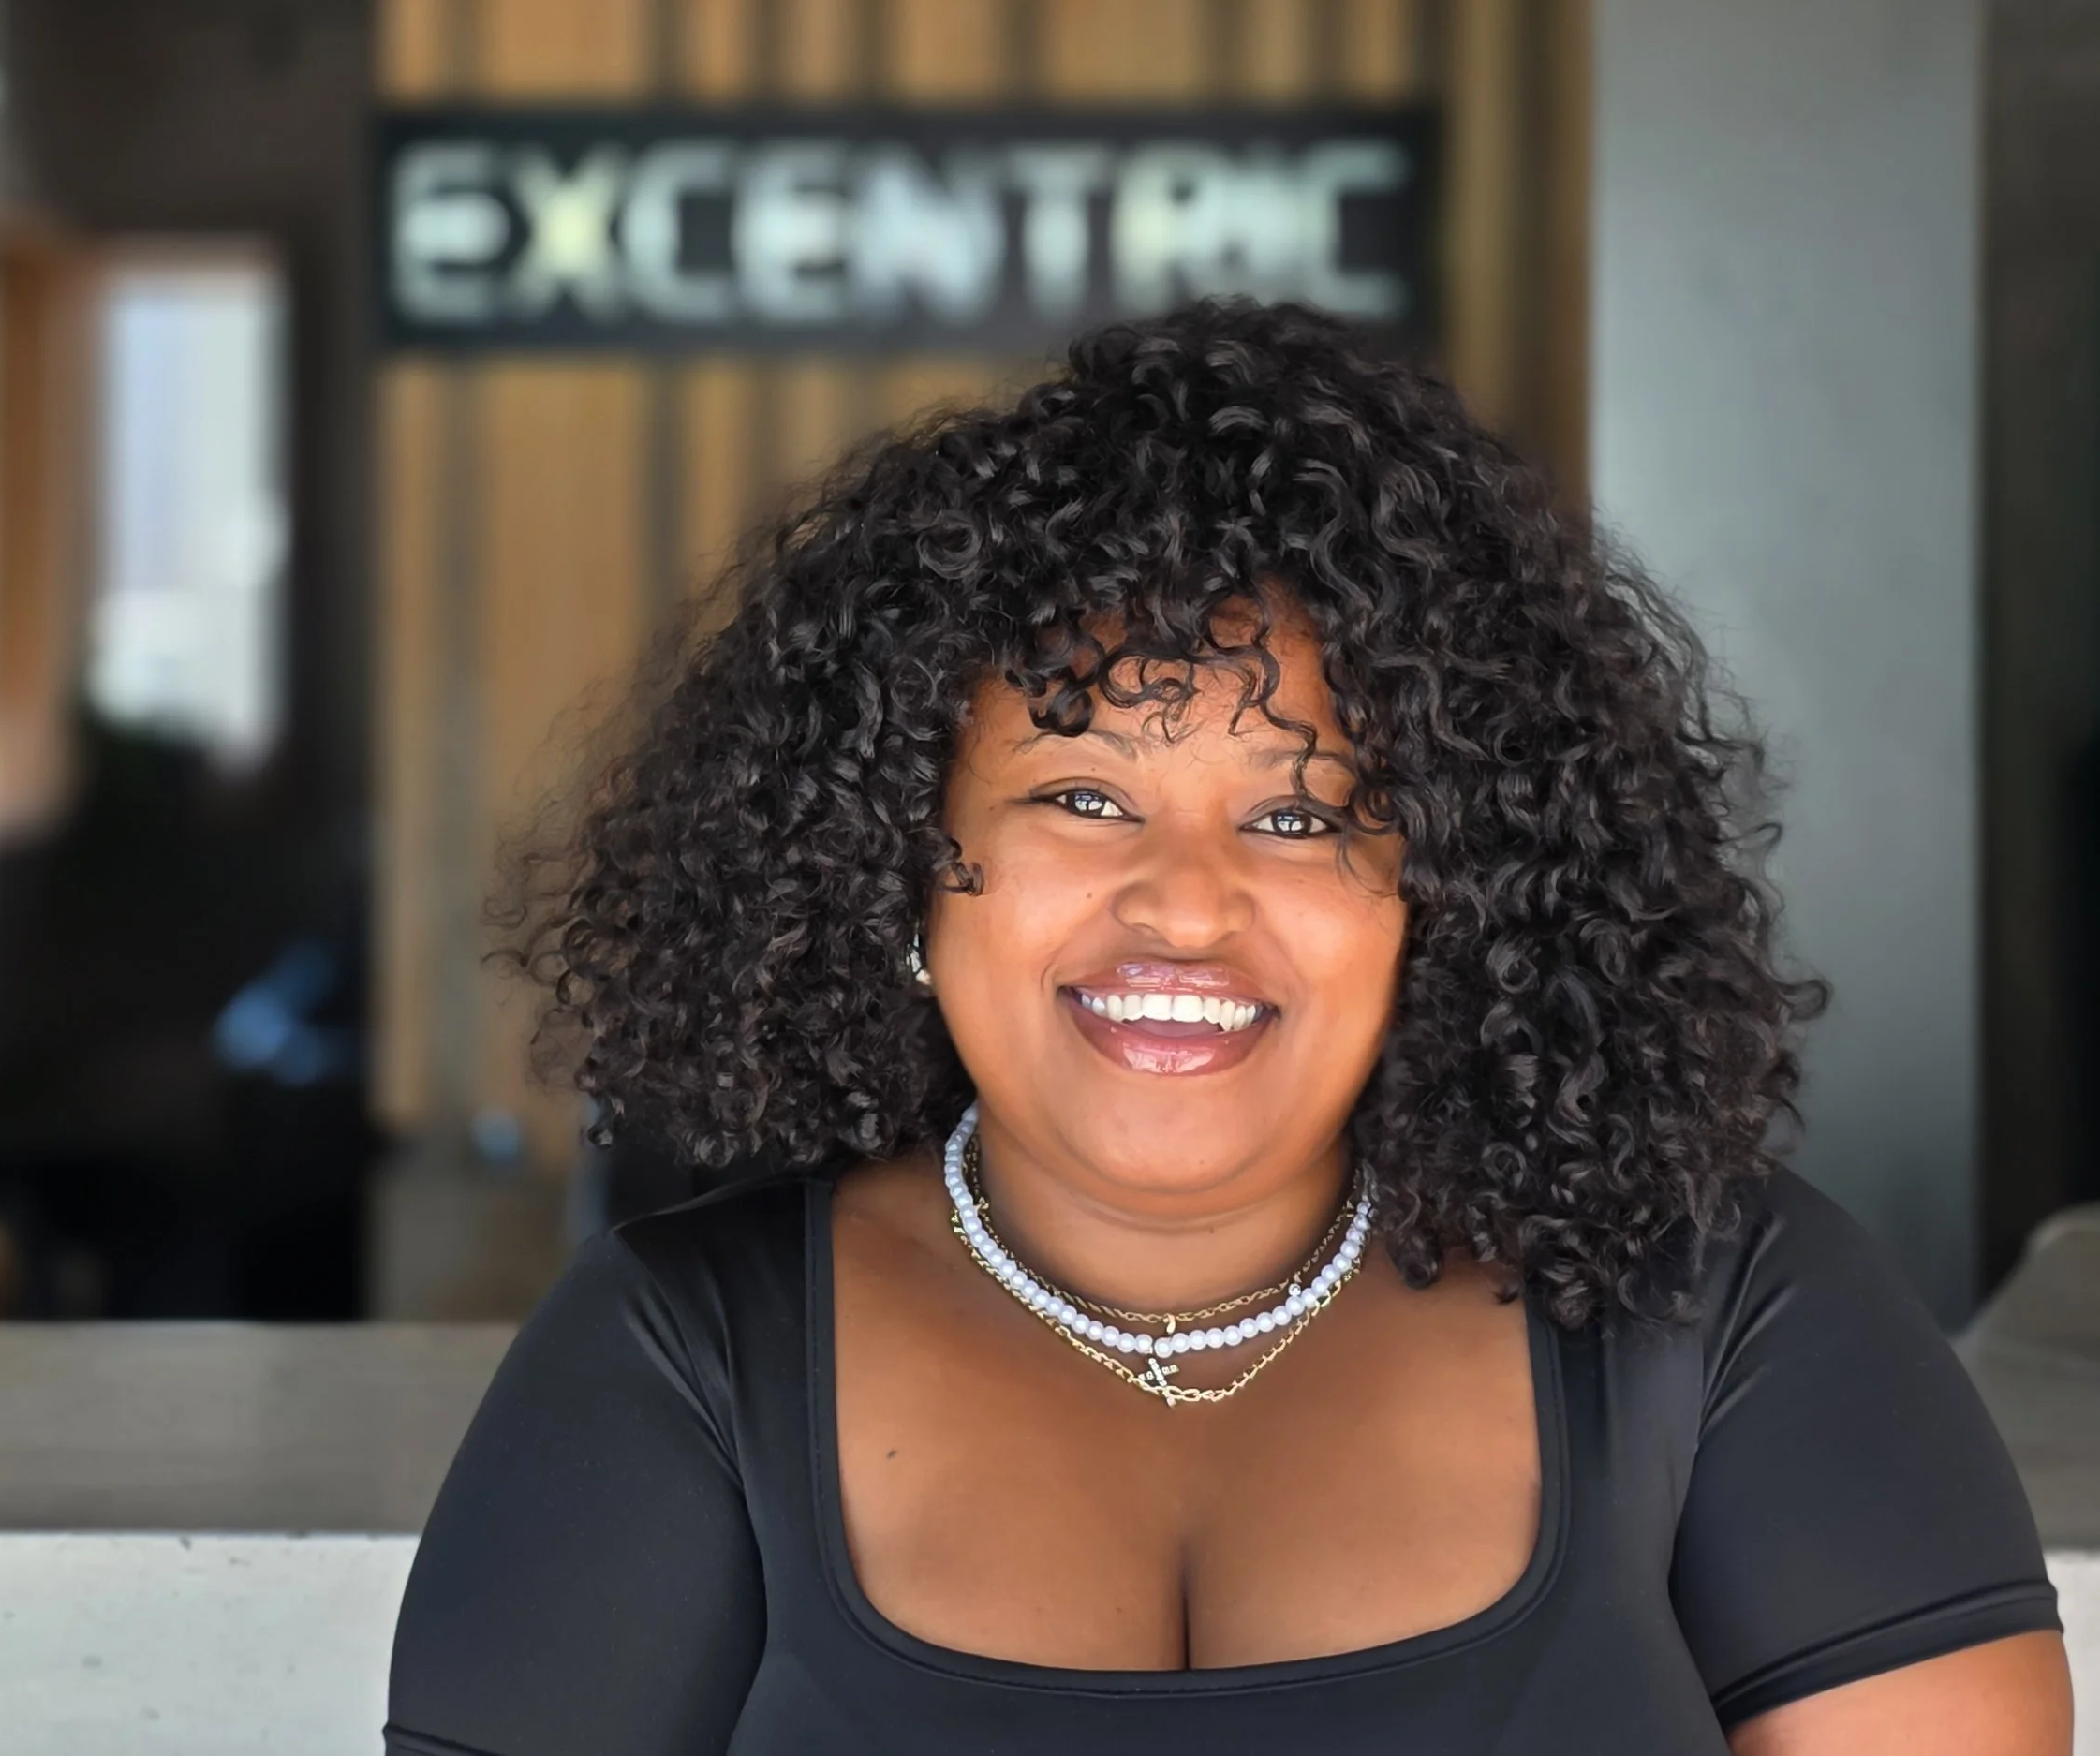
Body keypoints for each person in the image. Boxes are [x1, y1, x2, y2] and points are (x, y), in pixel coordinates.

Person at [384, 301, 2071, 1754]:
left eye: (1300, 815)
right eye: (1081, 797)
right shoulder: (676, 1357)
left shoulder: (1720, 1313)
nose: (1185, 905)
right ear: (894, 863)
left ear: (1452, 886)